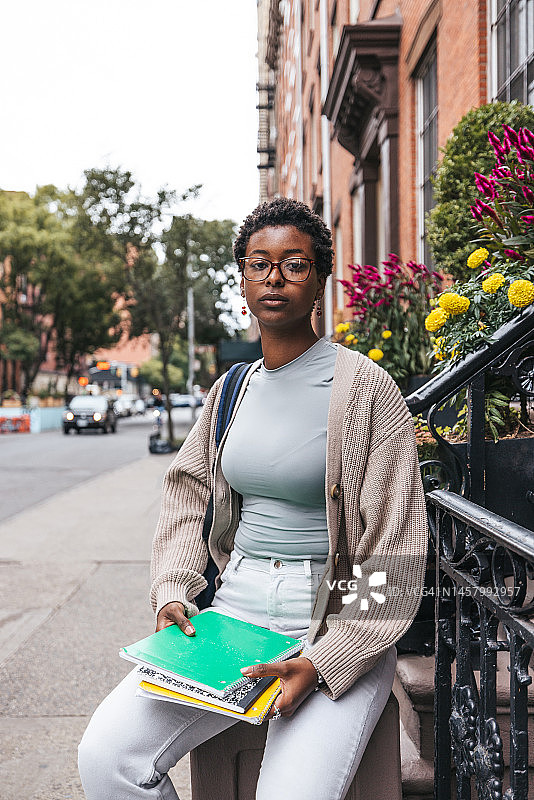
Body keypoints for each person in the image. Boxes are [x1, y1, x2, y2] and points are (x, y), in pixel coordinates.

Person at [78, 198, 429, 800]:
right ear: (242, 279)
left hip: (328, 626)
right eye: (259, 263)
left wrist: (324, 661)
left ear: (320, 277)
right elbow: (186, 491)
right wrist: (173, 590)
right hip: (232, 621)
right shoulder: (231, 390)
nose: (275, 278)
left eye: (294, 264)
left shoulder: (366, 389)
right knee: (106, 759)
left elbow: (395, 555)